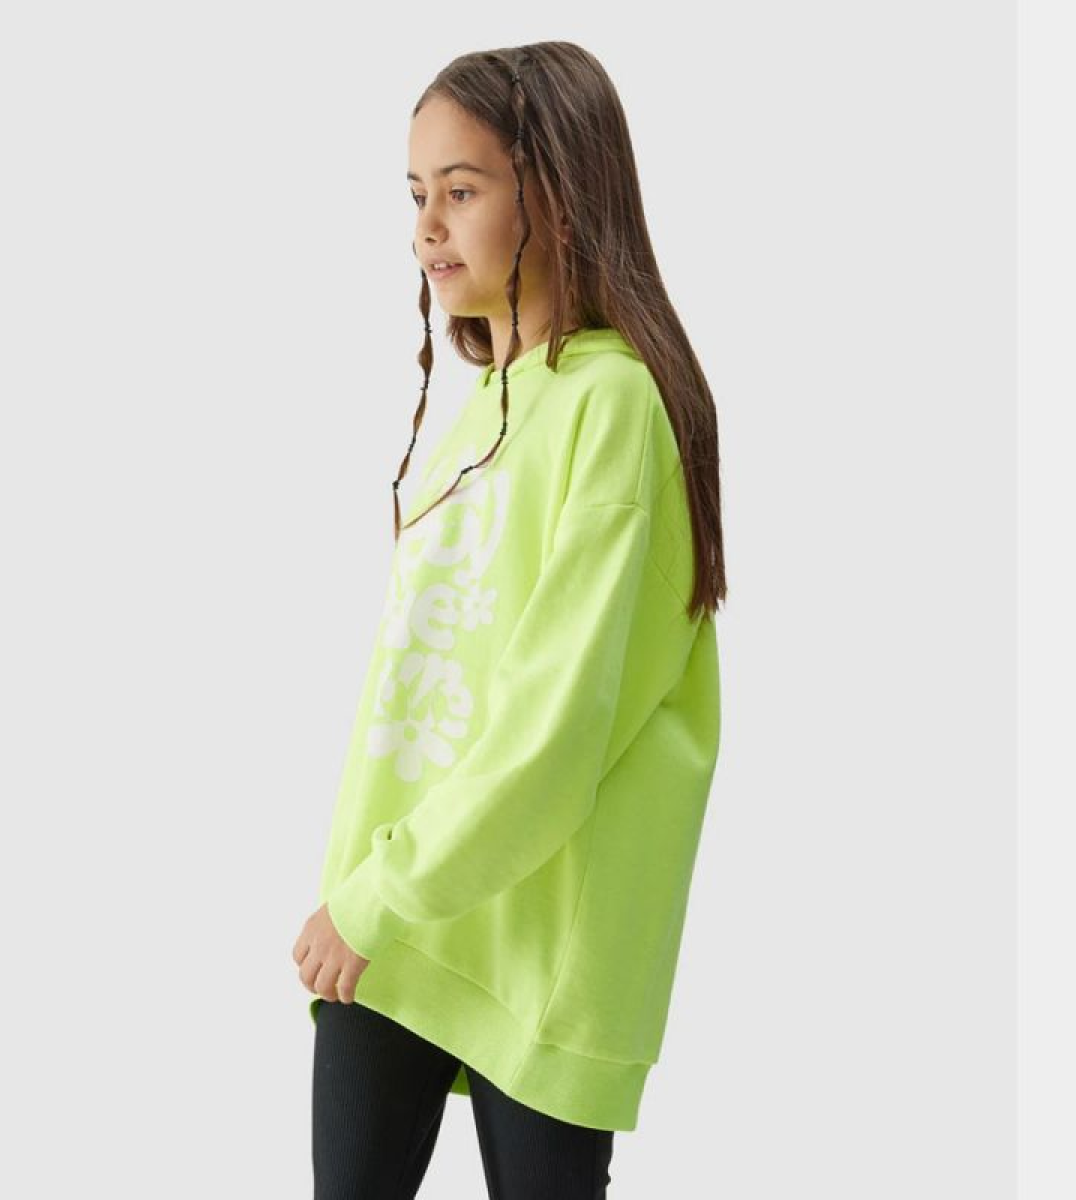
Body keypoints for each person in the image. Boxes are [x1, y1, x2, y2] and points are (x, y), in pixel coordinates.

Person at [292, 40, 726, 1199]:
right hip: (397, 924)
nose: (428, 228)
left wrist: (378, 894)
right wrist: (368, 887)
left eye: (462, 189)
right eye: (416, 196)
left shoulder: (613, 404)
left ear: (557, 192)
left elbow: (554, 726)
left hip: (533, 948)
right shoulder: (487, 399)